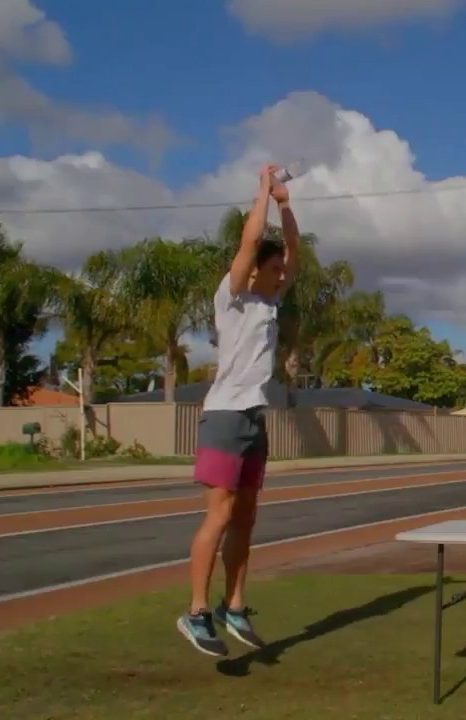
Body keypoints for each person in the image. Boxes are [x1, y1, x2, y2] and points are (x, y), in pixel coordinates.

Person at [177, 164, 301, 657]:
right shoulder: (231, 299)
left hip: (254, 418)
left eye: (279, 272)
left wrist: (287, 204)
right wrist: (263, 193)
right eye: (272, 271)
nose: (280, 276)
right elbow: (252, 242)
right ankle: (195, 613)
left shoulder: (270, 305)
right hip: (225, 417)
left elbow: (294, 254)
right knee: (221, 514)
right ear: (252, 271)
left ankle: (234, 605)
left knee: (246, 518)